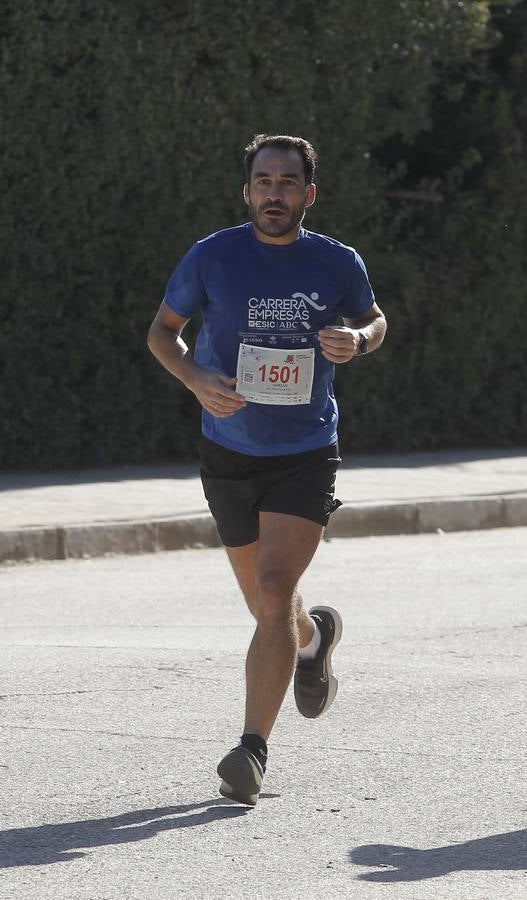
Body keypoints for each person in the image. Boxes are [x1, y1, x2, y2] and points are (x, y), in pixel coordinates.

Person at [146, 134, 387, 806]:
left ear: (308, 194)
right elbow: (163, 332)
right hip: (228, 449)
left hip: (304, 450)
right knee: (267, 606)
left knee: (276, 589)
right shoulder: (212, 255)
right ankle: (314, 640)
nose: (273, 192)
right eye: (263, 181)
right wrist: (195, 378)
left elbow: (374, 319)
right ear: (247, 190)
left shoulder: (336, 262)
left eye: (287, 182)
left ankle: (251, 749)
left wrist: (358, 340)